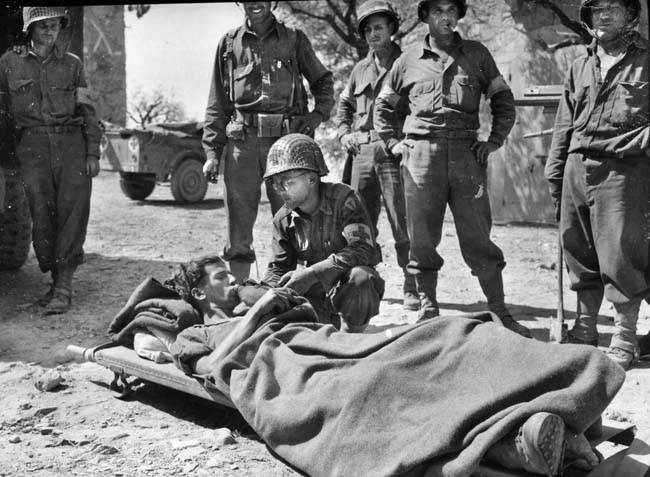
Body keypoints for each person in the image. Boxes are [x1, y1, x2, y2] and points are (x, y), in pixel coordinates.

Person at [161, 257, 620, 477]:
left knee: (445, 336)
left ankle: (562, 380)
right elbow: (213, 366)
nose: (235, 279)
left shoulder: (264, 296)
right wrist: (259, 311)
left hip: (325, 344)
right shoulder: (198, 332)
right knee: (377, 388)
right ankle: (521, 440)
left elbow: (323, 329)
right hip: (282, 371)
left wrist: (279, 300)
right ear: (200, 294)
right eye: (222, 276)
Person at [373, 0, 531, 338]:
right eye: (437, 11)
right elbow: (383, 108)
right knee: (421, 237)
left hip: (466, 156)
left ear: (458, 17)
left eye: (451, 11)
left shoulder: (477, 54)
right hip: (420, 157)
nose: (445, 17)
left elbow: (503, 101)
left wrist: (493, 141)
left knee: (477, 236)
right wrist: (393, 144)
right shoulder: (406, 61)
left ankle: (499, 310)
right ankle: (428, 311)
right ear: (426, 18)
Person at [544, 0, 648, 370]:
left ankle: (625, 337)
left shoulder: (645, 60)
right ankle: (585, 330)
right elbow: (563, 126)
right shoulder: (579, 65)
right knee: (578, 250)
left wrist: (637, 142)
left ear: (631, 17)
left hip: (624, 171)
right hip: (576, 166)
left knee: (620, 254)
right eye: (597, 9)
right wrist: (555, 173)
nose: (603, 16)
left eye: (613, 8)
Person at [201, 1, 335, 284]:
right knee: (237, 225)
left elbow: (323, 81)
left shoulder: (294, 38)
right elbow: (217, 102)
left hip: (285, 145)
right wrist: (212, 152)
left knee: (294, 217)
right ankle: (239, 292)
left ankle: (293, 288)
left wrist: (314, 117)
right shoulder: (229, 44)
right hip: (243, 144)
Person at [0, 7, 101, 314]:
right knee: (42, 219)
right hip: (32, 147)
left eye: (54, 25)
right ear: (29, 29)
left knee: (72, 215)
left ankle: (64, 287)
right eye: (42, 25)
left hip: (71, 145)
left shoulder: (73, 64)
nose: (49, 31)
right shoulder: (8, 62)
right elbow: (3, 112)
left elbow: (88, 110)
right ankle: (55, 282)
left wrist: (92, 151)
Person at [334, 0, 418, 311]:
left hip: (393, 151)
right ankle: (365, 282)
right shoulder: (359, 69)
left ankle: (412, 286)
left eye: (378, 27)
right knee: (359, 222)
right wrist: (344, 133)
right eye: (367, 30)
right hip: (361, 154)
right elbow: (343, 107)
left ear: (392, 29)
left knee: (402, 220)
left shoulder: (409, 62)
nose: (373, 34)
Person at [259, 133, 384, 333]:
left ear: (311, 179)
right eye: (274, 183)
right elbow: (278, 269)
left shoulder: (344, 200)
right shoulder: (282, 219)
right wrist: (262, 291)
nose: (279, 190)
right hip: (311, 299)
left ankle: (352, 337)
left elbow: (364, 249)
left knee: (362, 277)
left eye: (286, 182)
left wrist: (312, 273)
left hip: (346, 291)